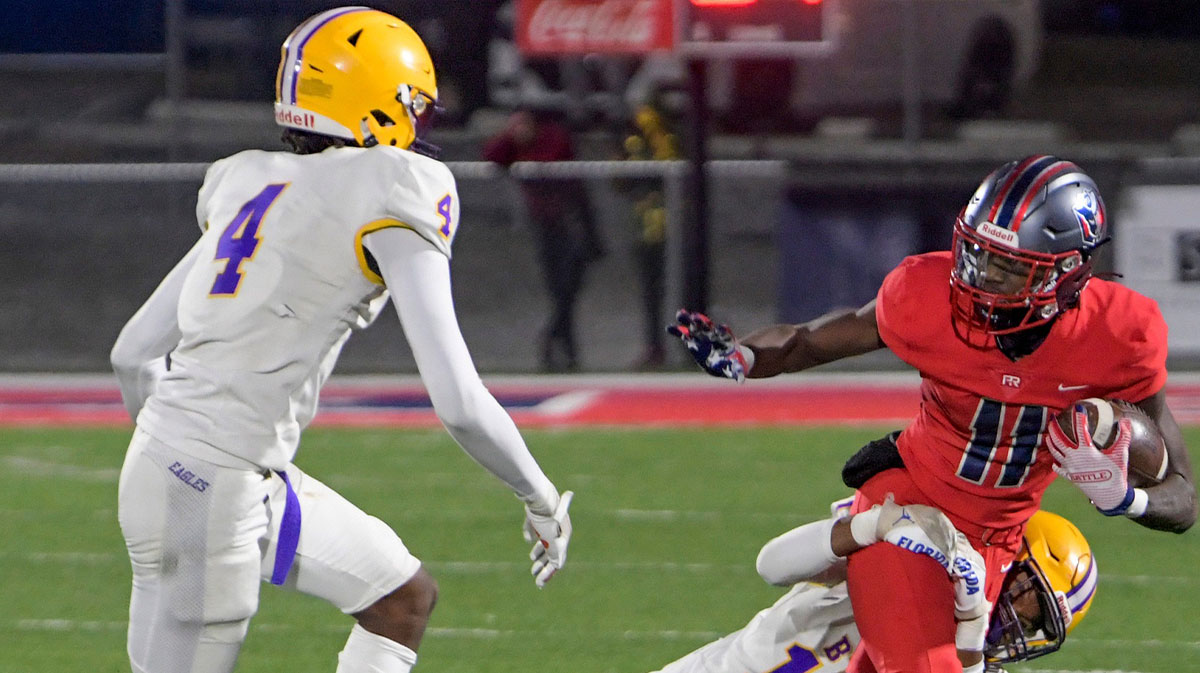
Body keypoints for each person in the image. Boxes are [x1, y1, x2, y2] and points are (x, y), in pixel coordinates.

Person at [109, 9, 573, 673]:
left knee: (399, 597)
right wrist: (540, 496)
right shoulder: (393, 185)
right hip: (215, 481)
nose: (418, 123)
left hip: (196, 466)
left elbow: (132, 352)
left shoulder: (246, 178)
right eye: (412, 104)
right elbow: (459, 401)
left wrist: (175, 451)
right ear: (379, 101)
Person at [669, 156, 1197, 672]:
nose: (981, 280)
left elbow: (1183, 497)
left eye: (1008, 269)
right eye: (977, 256)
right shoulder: (926, 294)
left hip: (994, 546)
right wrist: (745, 356)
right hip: (905, 505)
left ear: (1068, 272)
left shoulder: (1122, 335)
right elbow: (809, 341)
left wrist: (1129, 499)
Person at [650, 506, 1095, 673]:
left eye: (1033, 625)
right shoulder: (912, 558)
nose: (1014, 628)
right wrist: (873, 526)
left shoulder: (964, 660)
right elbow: (771, 565)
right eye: (1025, 600)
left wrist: (971, 635)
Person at [482, 108, 604, 372]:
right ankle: (565, 351)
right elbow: (492, 155)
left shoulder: (553, 139)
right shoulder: (516, 146)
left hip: (573, 220)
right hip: (546, 226)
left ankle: (553, 340)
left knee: (570, 287)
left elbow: (550, 163)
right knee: (558, 289)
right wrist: (510, 136)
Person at [617, 97, 681, 370]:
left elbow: (671, 165)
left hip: (676, 229)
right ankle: (655, 348)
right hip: (648, 229)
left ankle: (688, 348)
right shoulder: (633, 143)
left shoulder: (670, 138)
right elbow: (621, 180)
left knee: (681, 291)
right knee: (652, 293)